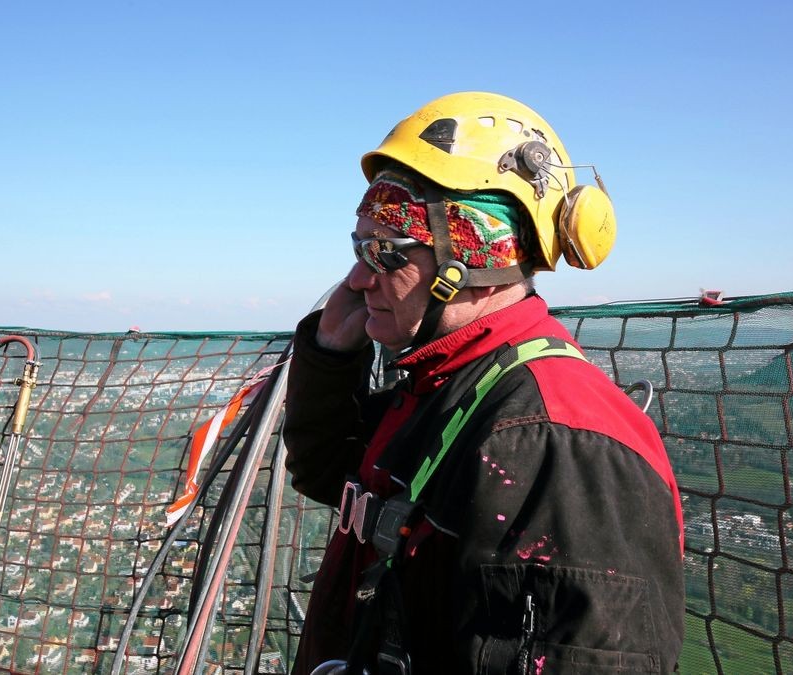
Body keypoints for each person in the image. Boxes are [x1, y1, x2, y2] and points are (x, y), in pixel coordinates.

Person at [283, 92, 684, 674]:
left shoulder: (555, 440)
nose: (357, 278)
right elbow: (332, 475)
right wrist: (330, 356)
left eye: (384, 252)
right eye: (357, 247)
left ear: (476, 261)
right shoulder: (448, 384)